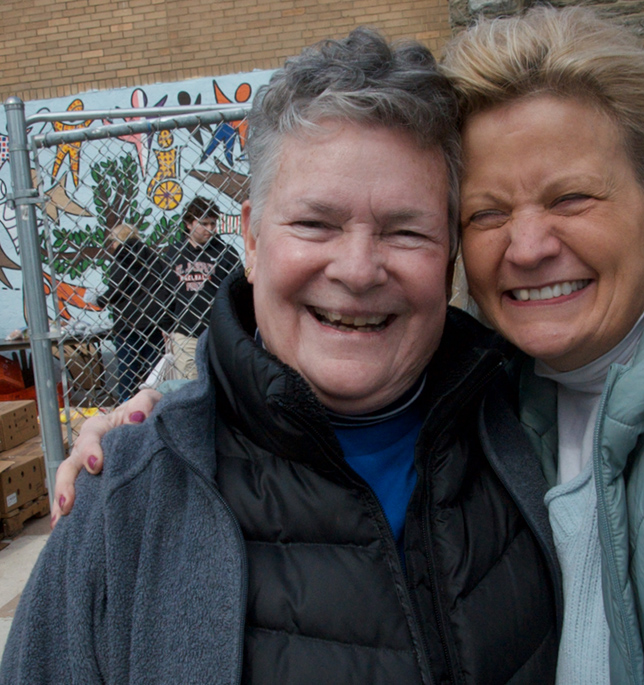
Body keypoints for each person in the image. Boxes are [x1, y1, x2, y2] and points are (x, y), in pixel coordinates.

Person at [53, 7, 644, 684]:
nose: (532, 244)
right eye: (489, 211)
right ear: (250, 239)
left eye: (574, 197)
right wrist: (164, 424)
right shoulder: (521, 392)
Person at [1, 29, 559, 684]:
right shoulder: (127, 505)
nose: (357, 269)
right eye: (316, 223)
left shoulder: (539, 433)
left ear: (450, 260)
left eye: (405, 230)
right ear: (254, 240)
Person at [165, 196, 241, 379]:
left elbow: (237, 290)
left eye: (213, 224)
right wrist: (167, 326)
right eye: (204, 224)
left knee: (220, 380)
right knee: (188, 383)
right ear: (189, 224)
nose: (210, 230)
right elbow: (165, 293)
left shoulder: (225, 253)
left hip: (217, 331)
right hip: (185, 331)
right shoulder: (173, 253)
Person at [96, 223, 172, 401]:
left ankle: (126, 405)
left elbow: (117, 287)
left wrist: (100, 300)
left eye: (112, 242)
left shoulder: (121, 257)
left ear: (117, 240)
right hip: (153, 320)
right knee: (154, 369)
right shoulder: (152, 256)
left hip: (128, 322)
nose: (112, 247)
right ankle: (156, 404)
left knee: (128, 370)